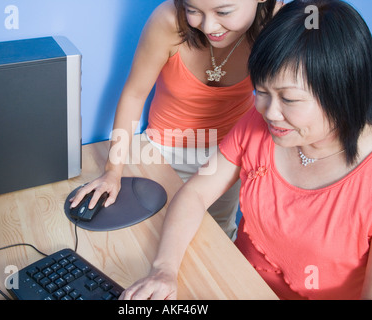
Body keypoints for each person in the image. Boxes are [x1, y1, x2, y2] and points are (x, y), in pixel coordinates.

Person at [120, 0, 372, 300]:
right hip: (231, 283)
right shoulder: (257, 122)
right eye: (261, 92)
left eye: (289, 99)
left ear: (343, 92)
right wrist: (164, 269)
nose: (269, 112)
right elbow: (196, 193)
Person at [70, 0, 280, 240]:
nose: (209, 26)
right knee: (156, 235)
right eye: (193, 10)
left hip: (229, 154)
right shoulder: (168, 20)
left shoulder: (278, 24)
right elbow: (134, 94)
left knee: (218, 236)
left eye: (223, 11)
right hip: (163, 150)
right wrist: (112, 171)